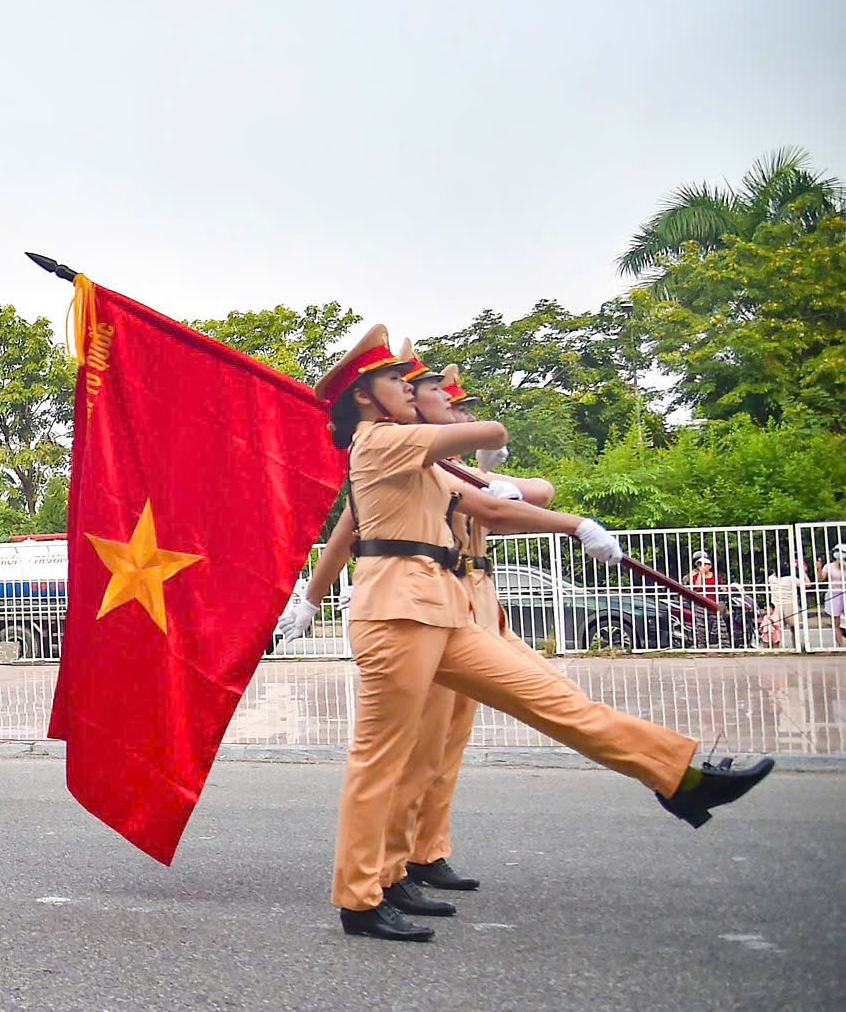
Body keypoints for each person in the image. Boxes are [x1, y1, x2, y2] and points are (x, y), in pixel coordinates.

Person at [304, 326, 773, 944]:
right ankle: (360, 899)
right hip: (397, 613)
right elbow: (490, 434)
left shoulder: (410, 449)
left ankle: (677, 775)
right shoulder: (381, 442)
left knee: (554, 700)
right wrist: (480, 455)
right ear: (365, 397)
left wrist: (576, 523)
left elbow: (494, 510)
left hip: (445, 611)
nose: (416, 392)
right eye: (398, 382)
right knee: (383, 759)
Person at [285, 357, 550, 905]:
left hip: (468, 598)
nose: (454, 409)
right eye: (443, 398)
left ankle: (426, 850)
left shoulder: (443, 462)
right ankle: (390, 867)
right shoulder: (394, 452)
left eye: (459, 405)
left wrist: (501, 479)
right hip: (420, 602)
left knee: (447, 743)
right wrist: (311, 599)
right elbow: (348, 532)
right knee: (414, 748)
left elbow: (535, 495)